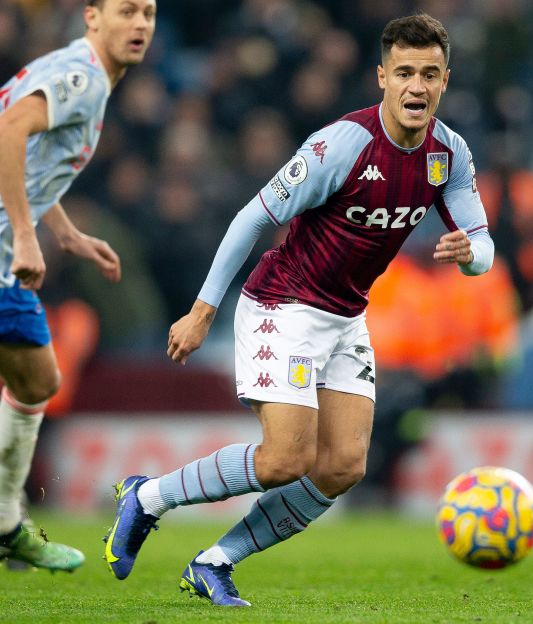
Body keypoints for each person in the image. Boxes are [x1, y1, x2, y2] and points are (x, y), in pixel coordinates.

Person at [104, 13, 494, 606]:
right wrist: (203, 310)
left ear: (445, 82)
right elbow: (253, 218)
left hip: (345, 316)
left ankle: (214, 561)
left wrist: (470, 255)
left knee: (342, 466)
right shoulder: (343, 144)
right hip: (282, 303)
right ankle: (148, 496)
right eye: (406, 73)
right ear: (382, 78)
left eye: (431, 75)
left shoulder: (449, 154)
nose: (418, 86)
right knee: (286, 458)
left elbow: (484, 246)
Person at [0, 0, 156, 571]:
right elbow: (1, 134)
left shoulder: (79, 75)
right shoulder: (82, 77)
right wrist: (25, 235)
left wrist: (64, 232)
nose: (140, 24)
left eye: (149, 13)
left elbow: (33, 161)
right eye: (126, 12)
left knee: (37, 378)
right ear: (92, 17)